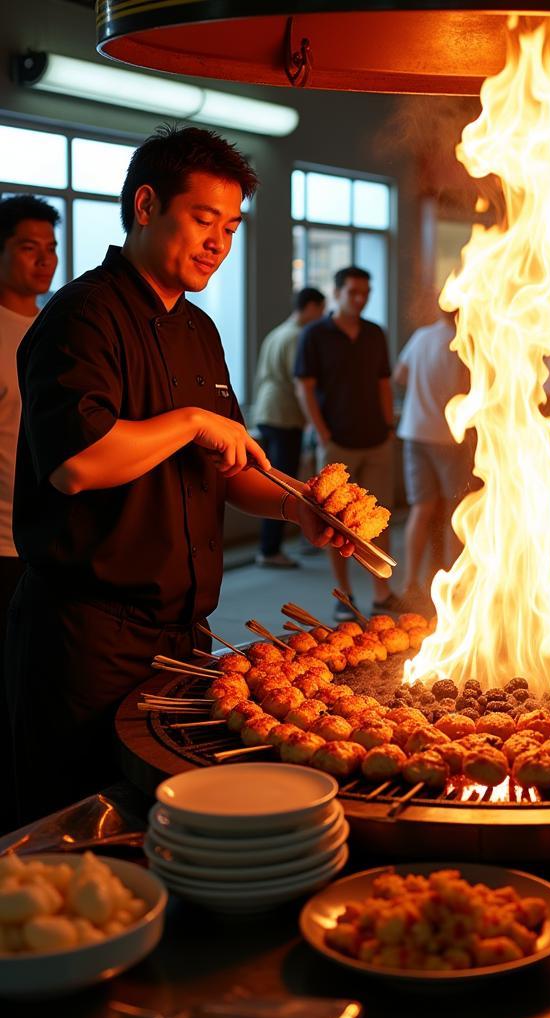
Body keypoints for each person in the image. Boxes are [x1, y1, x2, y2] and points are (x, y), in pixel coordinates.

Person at [6, 126, 353, 826]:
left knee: (161, 819)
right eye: (202, 220)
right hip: (89, 640)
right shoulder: (82, 318)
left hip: (184, 638)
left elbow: (225, 470)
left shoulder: (198, 329)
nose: (218, 243)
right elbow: (77, 464)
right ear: (144, 205)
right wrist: (194, 420)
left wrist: (297, 506)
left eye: (229, 226)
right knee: (80, 824)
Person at [0, 194, 59, 834]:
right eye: (27, 247)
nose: (43, 261)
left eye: (50, 250)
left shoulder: (51, 329)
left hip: (41, 550)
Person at [295, 266, 398, 621]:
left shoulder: (374, 334)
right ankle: (345, 594)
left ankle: (382, 592)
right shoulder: (315, 335)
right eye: (353, 292)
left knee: (378, 520)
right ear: (337, 292)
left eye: (365, 292)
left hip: (375, 438)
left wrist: (388, 425)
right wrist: (322, 433)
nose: (360, 298)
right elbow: (304, 387)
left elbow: (384, 382)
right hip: (338, 442)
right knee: (335, 525)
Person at [393, 308, 472, 604]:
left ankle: (410, 581)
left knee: (420, 509)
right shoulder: (464, 342)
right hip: (449, 437)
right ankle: (454, 582)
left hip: (415, 430)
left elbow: (400, 374)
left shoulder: (421, 336)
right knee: (456, 511)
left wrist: (422, 389)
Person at [250, 286, 326, 567]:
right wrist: (312, 421)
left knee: (274, 480)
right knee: (284, 485)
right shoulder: (297, 336)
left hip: (266, 411)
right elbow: (300, 383)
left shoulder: (278, 332)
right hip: (284, 415)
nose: (320, 316)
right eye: (320, 309)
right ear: (310, 307)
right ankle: (270, 550)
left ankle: (271, 546)